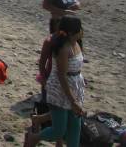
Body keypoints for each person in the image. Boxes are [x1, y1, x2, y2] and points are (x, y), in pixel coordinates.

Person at [24, 16, 85, 147]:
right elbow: (62, 76)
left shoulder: (77, 44)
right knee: (59, 131)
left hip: (75, 88)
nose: (82, 31)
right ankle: (34, 138)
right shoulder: (63, 49)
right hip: (60, 90)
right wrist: (73, 101)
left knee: (75, 128)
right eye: (80, 29)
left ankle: (38, 120)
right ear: (70, 33)